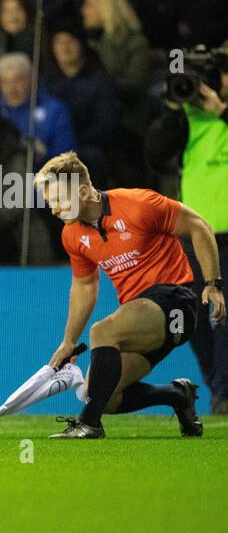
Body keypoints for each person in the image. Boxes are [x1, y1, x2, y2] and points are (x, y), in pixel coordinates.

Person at [35, 152, 224, 439]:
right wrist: (69, 341)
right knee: (99, 394)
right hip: (142, 317)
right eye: (50, 203)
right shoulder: (72, 235)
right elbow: (85, 286)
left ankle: (89, 425)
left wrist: (212, 283)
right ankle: (177, 395)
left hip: (177, 302)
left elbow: (198, 226)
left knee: (103, 331)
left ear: (84, 191)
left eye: (60, 199)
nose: (54, 209)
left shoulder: (138, 204)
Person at [145, 48, 228, 414]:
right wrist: (174, 109)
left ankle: (224, 395)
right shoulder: (187, 121)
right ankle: (217, 385)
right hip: (196, 236)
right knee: (193, 317)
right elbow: (154, 153)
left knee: (225, 318)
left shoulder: (222, 117)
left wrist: (222, 111)